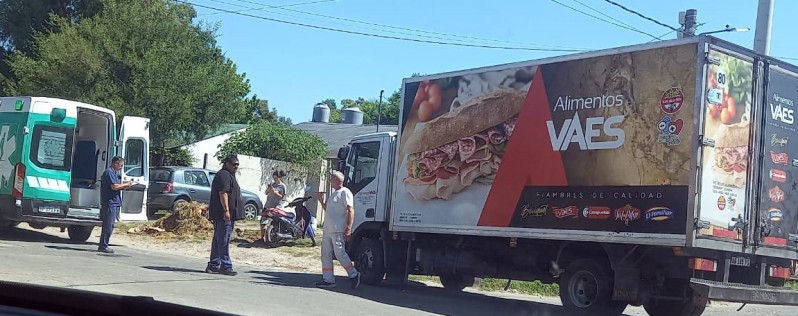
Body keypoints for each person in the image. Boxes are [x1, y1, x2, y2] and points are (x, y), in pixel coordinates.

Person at [315, 171, 360, 289]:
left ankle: (354, 274)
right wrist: (321, 200)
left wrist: (348, 227)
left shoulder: (345, 192)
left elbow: (351, 210)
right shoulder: (334, 194)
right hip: (328, 229)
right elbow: (328, 209)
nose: (330, 181)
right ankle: (328, 279)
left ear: (337, 180)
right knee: (325, 254)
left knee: (340, 253)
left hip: (337, 228)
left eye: (331, 179)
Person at [205, 154, 245, 276]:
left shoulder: (229, 175)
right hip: (223, 214)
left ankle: (213, 264)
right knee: (223, 239)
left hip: (226, 214)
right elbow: (223, 193)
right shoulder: (224, 175)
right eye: (234, 164)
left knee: (219, 239)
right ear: (226, 164)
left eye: (237, 164)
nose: (236, 166)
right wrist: (226, 210)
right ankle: (225, 265)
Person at [99, 156, 135, 254]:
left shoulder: (114, 173)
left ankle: (103, 245)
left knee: (109, 225)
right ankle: (103, 246)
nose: (121, 168)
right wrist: (126, 185)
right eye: (121, 165)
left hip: (113, 202)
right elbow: (114, 186)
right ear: (116, 163)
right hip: (109, 202)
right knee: (108, 225)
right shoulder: (109, 172)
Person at [260, 171, 288, 242]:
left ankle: (273, 236)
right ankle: (262, 238)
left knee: (273, 221)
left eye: (276, 178)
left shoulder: (282, 186)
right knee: (263, 221)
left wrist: (274, 192)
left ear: (279, 178)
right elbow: (266, 193)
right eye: (274, 178)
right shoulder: (272, 184)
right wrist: (269, 189)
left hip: (276, 207)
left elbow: (282, 197)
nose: (275, 180)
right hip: (268, 205)